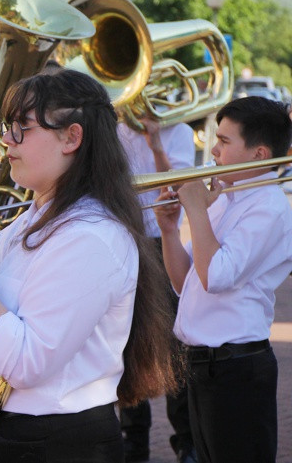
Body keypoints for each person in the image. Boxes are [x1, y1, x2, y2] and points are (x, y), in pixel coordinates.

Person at [0, 69, 179, 462]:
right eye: (7, 127)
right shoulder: (33, 219)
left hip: (53, 442)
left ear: (72, 137)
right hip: (8, 433)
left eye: (22, 129)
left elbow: (27, 362)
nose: (6, 142)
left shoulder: (91, 236)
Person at [153, 96, 292, 463]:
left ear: (259, 154)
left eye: (225, 142)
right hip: (206, 367)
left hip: (236, 370)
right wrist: (169, 230)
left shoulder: (270, 208)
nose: (213, 151)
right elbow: (186, 283)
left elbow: (215, 276)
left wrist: (197, 209)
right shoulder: (227, 198)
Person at [117, 118, 197, 463]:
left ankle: (188, 444)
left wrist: (156, 144)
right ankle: (134, 448)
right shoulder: (115, 128)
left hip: (161, 244)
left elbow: (182, 188)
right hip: (124, 241)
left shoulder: (177, 131)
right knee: (126, 343)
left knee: (174, 345)